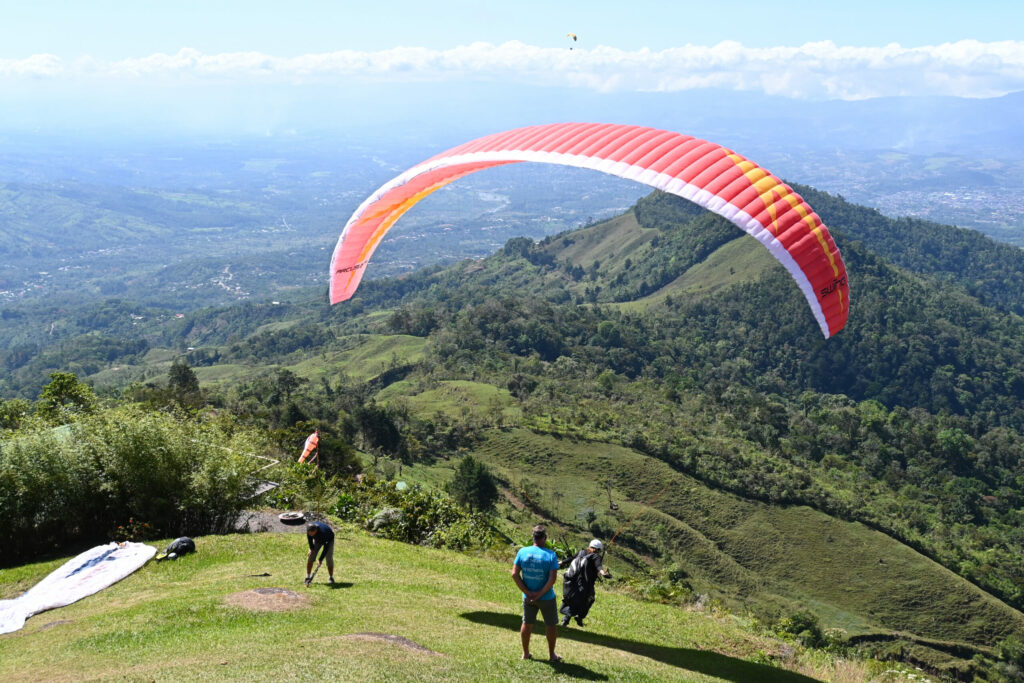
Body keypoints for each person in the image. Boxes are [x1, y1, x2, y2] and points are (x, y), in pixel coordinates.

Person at [512, 525, 562, 662]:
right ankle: (552, 655)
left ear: (532, 537)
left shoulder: (522, 552)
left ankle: (525, 653)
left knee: (527, 623)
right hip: (547, 598)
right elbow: (552, 579)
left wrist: (527, 593)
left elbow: (514, 574)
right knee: (551, 625)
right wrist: (539, 594)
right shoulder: (551, 555)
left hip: (528, 598)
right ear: (545, 538)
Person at [559, 539, 610, 627]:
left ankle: (566, 620)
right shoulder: (596, 556)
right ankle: (580, 617)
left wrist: (561, 562)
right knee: (589, 599)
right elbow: (598, 566)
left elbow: (571, 558)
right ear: (598, 549)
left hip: (573, 582)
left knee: (573, 599)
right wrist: (603, 573)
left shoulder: (581, 552)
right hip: (586, 584)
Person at [305, 521, 335, 586]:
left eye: (312, 534)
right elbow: (309, 538)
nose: (311, 535)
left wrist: (320, 559)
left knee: (329, 558)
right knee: (311, 556)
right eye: (310, 534)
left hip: (329, 540)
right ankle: (308, 577)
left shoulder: (323, 533)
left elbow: (326, 548)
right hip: (318, 539)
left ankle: (331, 577)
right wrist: (311, 548)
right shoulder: (309, 531)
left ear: (316, 530)